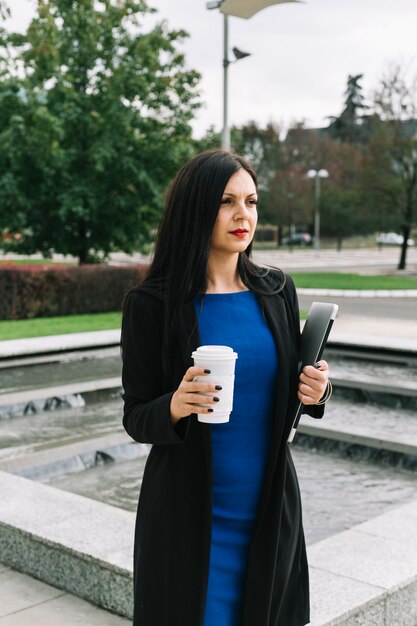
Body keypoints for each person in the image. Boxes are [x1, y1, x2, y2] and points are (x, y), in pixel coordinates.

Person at [121, 149, 330, 626]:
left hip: (269, 508)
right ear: (196, 208)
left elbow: (293, 387)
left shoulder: (276, 291)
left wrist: (317, 390)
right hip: (188, 515)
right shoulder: (151, 303)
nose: (244, 215)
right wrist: (174, 405)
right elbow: (136, 416)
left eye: (252, 201)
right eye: (226, 201)